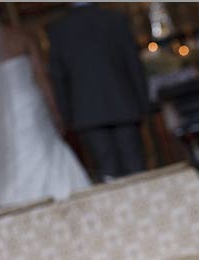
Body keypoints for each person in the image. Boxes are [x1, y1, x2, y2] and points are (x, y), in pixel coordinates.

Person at [0, 3, 91, 213]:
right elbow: (42, 79)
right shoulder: (22, 36)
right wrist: (55, 112)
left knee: (12, 160)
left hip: (0, 115)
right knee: (44, 148)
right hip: (29, 105)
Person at [47, 3, 150, 182]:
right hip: (124, 104)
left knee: (108, 174)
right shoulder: (115, 19)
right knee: (137, 170)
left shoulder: (58, 30)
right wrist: (144, 103)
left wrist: (67, 116)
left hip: (86, 112)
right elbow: (133, 64)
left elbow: (59, 78)